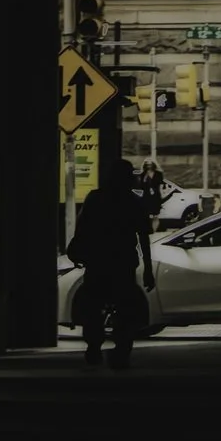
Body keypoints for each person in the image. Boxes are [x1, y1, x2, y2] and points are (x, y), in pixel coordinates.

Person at [65, 154, 156, 368]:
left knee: (93, 305)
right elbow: (143, 237)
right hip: (123, 263)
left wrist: (77, 251)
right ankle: (121, 350)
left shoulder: (95, 198)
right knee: (125, 308)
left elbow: (82, 228)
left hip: (98, 261)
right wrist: (148, 269)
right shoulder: (133, 202)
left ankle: (94, 346)